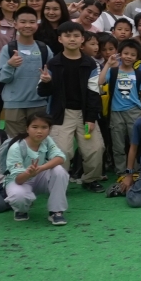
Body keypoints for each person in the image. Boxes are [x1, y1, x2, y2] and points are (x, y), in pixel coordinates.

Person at [38, 21, 106, 193]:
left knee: (95, 149)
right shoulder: (53, 63)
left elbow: (94, 92)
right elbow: (42, 92)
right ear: (60, 39)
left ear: (82, 39)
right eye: (67, 36)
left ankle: (91, 179)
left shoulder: (90, 64)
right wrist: (46, 82)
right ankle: (60, 181)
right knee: (62, 151)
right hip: (61, 114)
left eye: (76, 36)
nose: (72, 39)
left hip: (85, 114)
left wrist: (91, 118)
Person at [2, 111, 70, 225]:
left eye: (44, 127)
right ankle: (21, 210)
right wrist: (29, 173)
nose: (39, 131)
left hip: (39, 175)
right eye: (35, 127)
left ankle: (56, 211)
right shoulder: (17, 147)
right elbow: (18, 180)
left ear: (49, 129)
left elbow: (60, 158)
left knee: (59, 171)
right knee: (19, 197)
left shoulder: (47, 140)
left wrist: (41, 168)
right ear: (27, 129)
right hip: (20, 180)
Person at [0, 6, 51, 138]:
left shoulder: (44, 48)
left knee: (38, 140)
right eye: (23, 22)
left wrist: (49, 78)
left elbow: (52, 74)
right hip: (14, 105)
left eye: (32, 22)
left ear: (37, 24)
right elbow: (2, 78)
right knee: (16, 142)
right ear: (15, 24)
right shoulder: (8, 49)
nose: (27, 25)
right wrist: (10, 65)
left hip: (39, 103)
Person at [105, 39, 141, 178]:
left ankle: (136, 170)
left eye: (133, 54)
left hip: (134, 112)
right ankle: (121, 171)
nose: (129, 57)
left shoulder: (139, 74)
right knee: (118, 144)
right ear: (120, 54)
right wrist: (108, 64)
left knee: (135, 142)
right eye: (126, 53)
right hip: (116, 112)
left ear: (137, 57)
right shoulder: (113, 71)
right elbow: (100, 81)